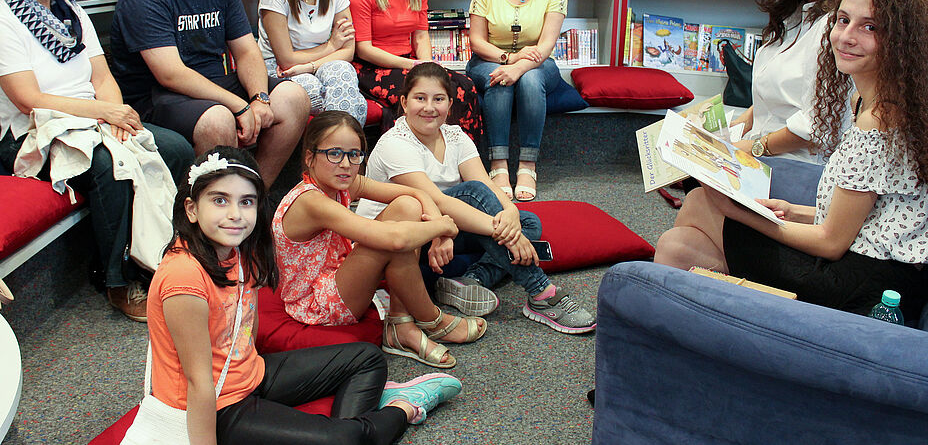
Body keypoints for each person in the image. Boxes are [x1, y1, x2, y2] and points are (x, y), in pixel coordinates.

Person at [653, 0, 928, 320]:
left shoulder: (880, 121)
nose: (846, 36)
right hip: (874, 265)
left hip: (862, 286)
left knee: (702, 202)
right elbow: (875, 217)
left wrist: (735, 209)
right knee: (677, 248)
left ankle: (699, 321)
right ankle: (706, 319)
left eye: (870, 27)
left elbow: (831, 242)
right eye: (842, 20)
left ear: (904, 42)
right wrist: (792, 210)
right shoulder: (891, 104)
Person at [132, 146, 462, 445]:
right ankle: (404, 408)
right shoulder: (184, 277)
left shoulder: (238, 250)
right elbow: (199, 382)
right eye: (220, 200)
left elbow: (244, 328)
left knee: (367, 358)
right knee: (345, 440)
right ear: (191, 208)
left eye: (246, 201)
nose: (235, 214)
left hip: (250, 375)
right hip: (218, 407)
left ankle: (350, 433)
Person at [0, 0, 194, 322]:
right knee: (109, 166)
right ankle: (117, 282)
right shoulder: (4, 16)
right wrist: (103, 113)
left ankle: (156, 257)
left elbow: (102, 77)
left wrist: (115, 118)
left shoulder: (71, 10)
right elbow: (27, 99)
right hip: (33, 131)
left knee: (175, 147)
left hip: (90, 119)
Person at [356, 63, 596, 333]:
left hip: (441, 233)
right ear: (404, 101)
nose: (429, 107)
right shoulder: (395, 143)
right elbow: (437, 199)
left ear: (450, 103)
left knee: (528, 222)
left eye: (438, 99)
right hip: (399, 237)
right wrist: (510, 236)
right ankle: (541, 292)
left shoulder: (455, 136)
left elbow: (486, 182)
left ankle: (470, 280)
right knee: (479, 199)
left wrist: (511, 212)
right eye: (420, 98)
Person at [110, 0, 309, 187]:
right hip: (159, 96)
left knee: (294, 98)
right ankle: (215, 209)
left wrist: (259, 98)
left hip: (213, 84)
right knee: (218, 119)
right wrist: (240, 106)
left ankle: (255, 196)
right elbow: (170, 74)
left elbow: (247, 52)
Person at [272, 111, 486, 369]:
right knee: (395, 239)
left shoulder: (341, 183)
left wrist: (438, 228)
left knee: (406, 207)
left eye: (354, 155)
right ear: (310, 157)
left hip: (337, 272)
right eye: (334, 154)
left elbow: (415, 194)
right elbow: (395, 240)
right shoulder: (311, 201)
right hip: (316, 304)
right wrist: (443, 226)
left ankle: (400, 323)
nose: (345, 164)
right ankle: (432, 319)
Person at [730, 0, 874, 163]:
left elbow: (815, 126)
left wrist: (750, 148)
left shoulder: (840, 27)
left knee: (701, 195)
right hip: (767, 148)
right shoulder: (797, 16)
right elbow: (773, 96)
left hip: (800, 163)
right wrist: (728, 135)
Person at [349, 0, 483, 140]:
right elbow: (363, 48)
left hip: (410, 61)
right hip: (371, 68)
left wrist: (428, 66)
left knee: (464, 86)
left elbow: (421, 36)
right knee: (419, 95)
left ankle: (461, 161)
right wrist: (412, 65)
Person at [465, 0, 567, 202]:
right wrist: (508, 60)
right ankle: (498, 164)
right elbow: (477, 41)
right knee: (500, 80)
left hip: (538, 62)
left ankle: (527, 165)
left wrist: (520, 66)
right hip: (489, 59)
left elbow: (546, 44)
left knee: (531, 79)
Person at [257, 0, 367, 123]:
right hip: (280, 70)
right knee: (321, 93)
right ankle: (333, 148)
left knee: (343, 73)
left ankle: (339, 149)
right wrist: (332, 45)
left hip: (316, 64)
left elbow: (349, 51)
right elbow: (287, 60)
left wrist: (309, 65)